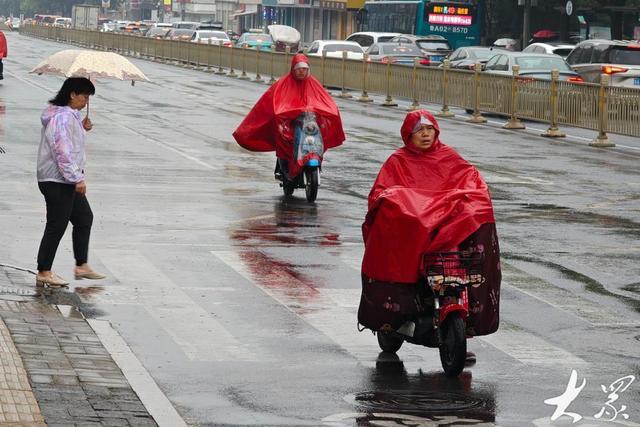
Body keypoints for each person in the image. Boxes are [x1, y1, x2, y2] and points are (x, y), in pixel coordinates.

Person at [359, 110, 501, 364]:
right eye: (418, 131)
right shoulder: (397, 161)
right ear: (407, 136)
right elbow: (382, 191)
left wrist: (473, 196)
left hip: (446, 240)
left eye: (429, 130)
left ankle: (459, 335)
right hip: (413, 236)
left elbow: (472, 181)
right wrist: (402, 203)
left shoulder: (449, 157)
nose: (425, 135)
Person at [35, 77, 106, 287]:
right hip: (57, 180)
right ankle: (44, 270)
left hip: (64, 179)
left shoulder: (68, 116)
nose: (86, 101)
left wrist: (82, 128)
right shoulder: (63, 118)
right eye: (84, 96)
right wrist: (77, 178)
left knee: (84, 217)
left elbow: (69, 142)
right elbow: (62, 152)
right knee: (57, 224)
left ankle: (82, 265)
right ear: (72, 94)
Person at [232, 53, 345, 180]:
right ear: (293, 69)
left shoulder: (314, 84)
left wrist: (329, 111)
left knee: (318, 138)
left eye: (304, 69)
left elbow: (325, 101)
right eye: (298, 69)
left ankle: (313, 158)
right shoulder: (284, 84)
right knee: (289, 138)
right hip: (291, 124)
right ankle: (286, 167)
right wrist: (285, 115)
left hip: (309, 122)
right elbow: (276, 103)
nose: (301, 72)